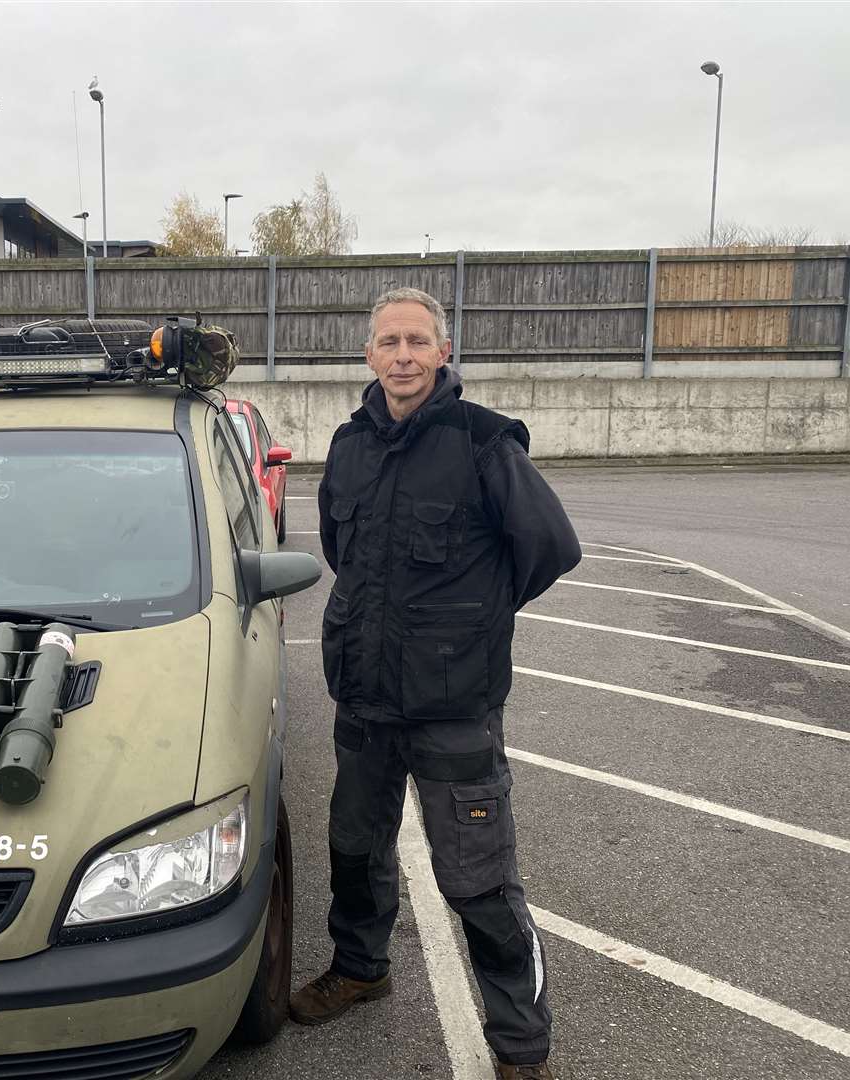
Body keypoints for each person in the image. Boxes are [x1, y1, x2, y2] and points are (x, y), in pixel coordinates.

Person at [292, 288, 581, 1080]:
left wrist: (475, 618)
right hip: (366, 699)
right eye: (390, 342)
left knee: (479, 883)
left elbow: (551, 547)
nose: (405, 356)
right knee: (355, 849)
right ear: (369, 356)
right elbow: (343, 553)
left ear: (444, 352)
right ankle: (361, 968)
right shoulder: (350, 446)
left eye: (419, 341)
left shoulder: (485, 443)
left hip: (454, 708)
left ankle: (522, 1047)